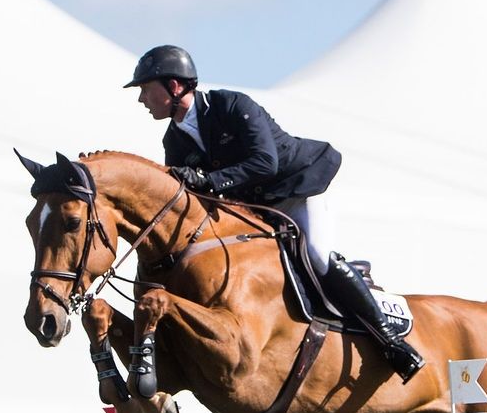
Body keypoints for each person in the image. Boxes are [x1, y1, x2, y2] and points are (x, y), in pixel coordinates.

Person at [126, 44, 423, 379]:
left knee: (317, 256)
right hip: (255, 208)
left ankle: (390, 341)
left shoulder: (231, 105)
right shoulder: (174, 142)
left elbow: (265, 162)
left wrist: (210, 180)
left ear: (174, 86)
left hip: (296, 189)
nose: (142, 100)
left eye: (146, 90)